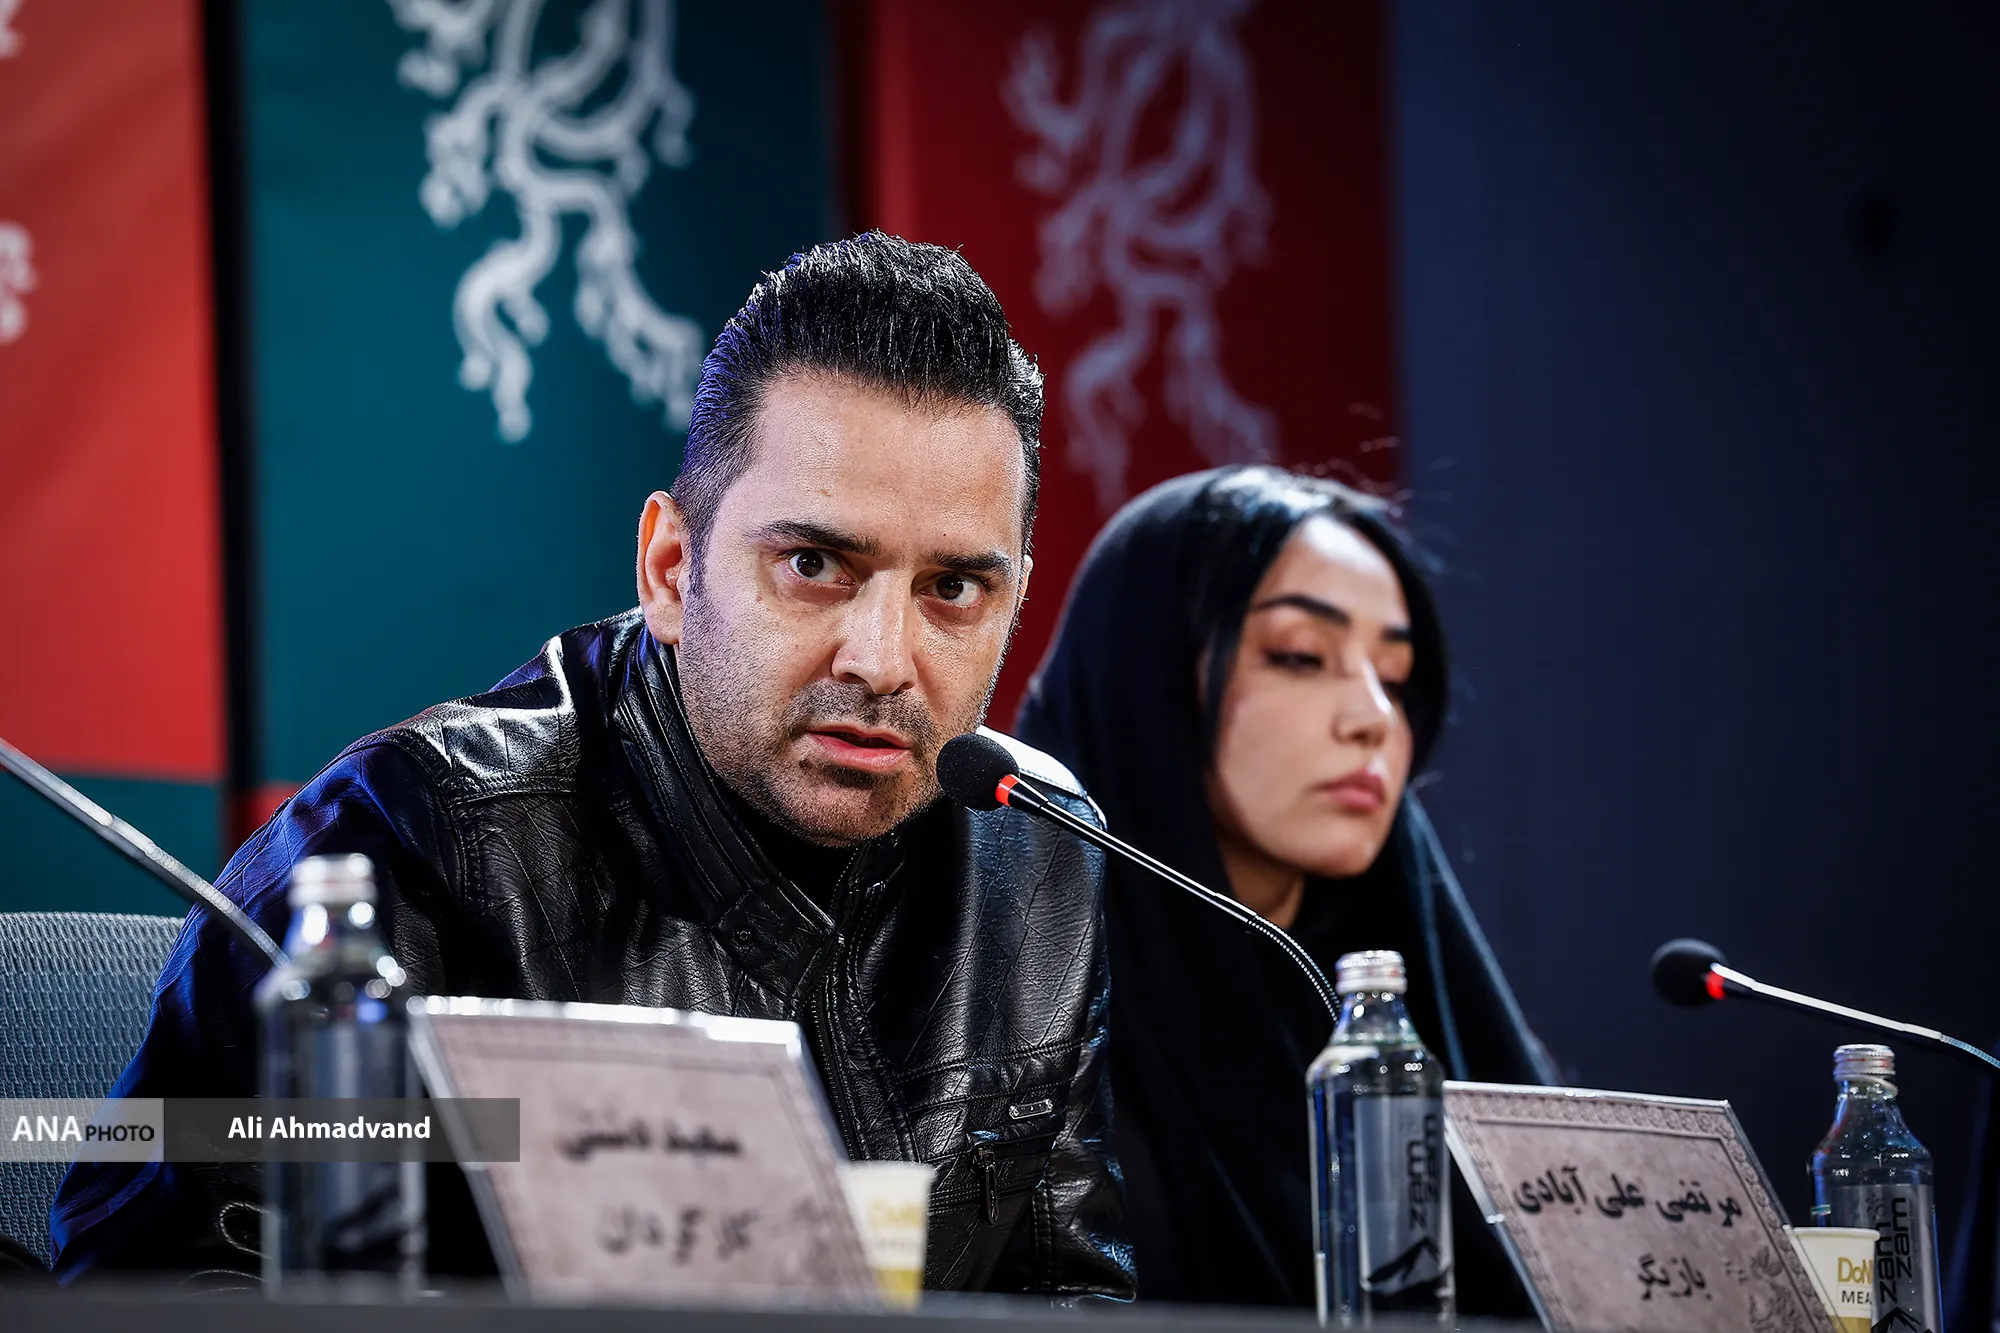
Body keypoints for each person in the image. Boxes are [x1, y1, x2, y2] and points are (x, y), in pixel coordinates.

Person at [52, 234, 1134, 1298]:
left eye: (953, 590)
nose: (883, 660)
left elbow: (1070, 1296)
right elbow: (162, 1289)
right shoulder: (410, 839)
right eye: (812, 564)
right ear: (670, 567)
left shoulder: (1038, 850)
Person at [1015, 466, 1553, 1311]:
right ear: (1150, 677)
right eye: (1301, 656)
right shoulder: (1006, 1009)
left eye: (1396, 677)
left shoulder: (1391, 1002)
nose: (1374, 717)